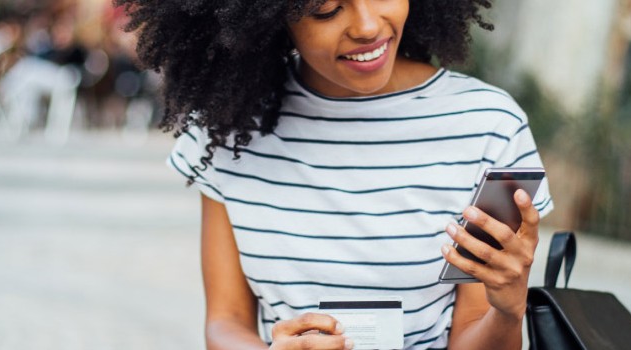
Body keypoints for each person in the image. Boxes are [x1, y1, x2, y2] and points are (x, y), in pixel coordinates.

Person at [129, 0, 555, 348]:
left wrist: (507, 308)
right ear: (275, 17)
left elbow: (475, 330)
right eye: (327, 9)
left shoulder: (489, 126)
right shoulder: (227, 128)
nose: (369, 26)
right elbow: (224, 322)